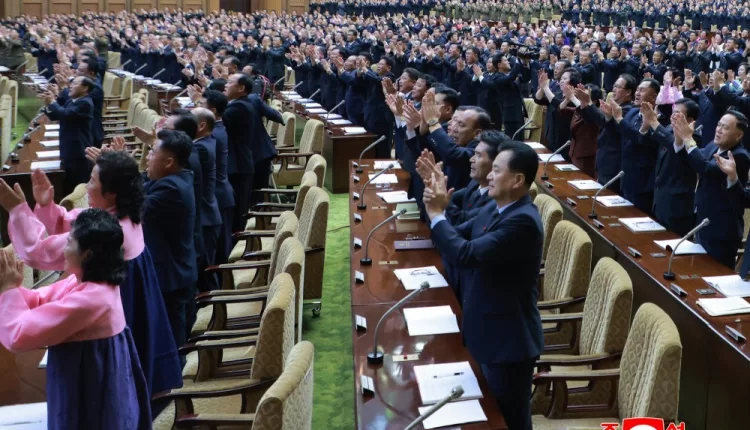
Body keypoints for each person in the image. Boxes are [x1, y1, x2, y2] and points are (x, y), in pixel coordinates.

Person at [0, 151, 183, 416]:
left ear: (112, 192)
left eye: (93, 180)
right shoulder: (120, 220)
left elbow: (40, 251)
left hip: (93, 357)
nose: (87, 185)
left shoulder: (94, 284)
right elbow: (77, 223)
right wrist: (47, 206)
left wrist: (17, 211)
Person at [426, 140, 543, 430]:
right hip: (485, 331)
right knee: (490, 417)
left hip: (508, 343)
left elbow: (464, 254)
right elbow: (457, 235)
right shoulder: (496, 208)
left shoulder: (523, 221)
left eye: (497, 170)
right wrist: (439, 208)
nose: (489, 175)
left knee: (509, 421)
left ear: (517, 180)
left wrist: (437, 214)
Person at [0, 209, 152, 429]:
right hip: (89, 373)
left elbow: (18, 336)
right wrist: (11, 288)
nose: (63, 248)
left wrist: (8, 291)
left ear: (87, 254)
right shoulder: (89, 280)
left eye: (69, 242)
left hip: (90, 384)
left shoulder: (94, 298)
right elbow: (40, 299)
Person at [142, 129, 198, 355]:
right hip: (171, 272)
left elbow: (136, 206)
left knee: (170, 347)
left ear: (168, 161)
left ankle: (176, 378)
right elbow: (142, 188)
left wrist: (114, 173)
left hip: (170, 277)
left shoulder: (172, 188)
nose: (147, 156)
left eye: (152, 152)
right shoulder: (173, 179)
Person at [673, 110, 750, 268]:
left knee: (715, 275)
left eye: (725, 127)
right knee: (697, 271)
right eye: (719, 125)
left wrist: (688, 139)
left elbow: (707, 169)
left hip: (721, 231)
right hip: (703, 223)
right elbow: (692, 159)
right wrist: (680, 139)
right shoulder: (713, 146)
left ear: (738, 135)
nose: (719, 129)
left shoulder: (739, 156)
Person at [640, 98, 699, 235]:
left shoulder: (694, 137)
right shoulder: (668, 129)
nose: (673, 116)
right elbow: (646, 142)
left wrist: (654, 122)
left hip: (677, 206)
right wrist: (646, 125)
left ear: (690, 120)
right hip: (660, 198)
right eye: (673, 112)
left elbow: (674, 145)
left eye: (678, 113)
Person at [39, 76, 95, 195]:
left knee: (79, 187)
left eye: (74, 83)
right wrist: (47, 104)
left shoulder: (85, 103)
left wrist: (53, 101)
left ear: (85, 88)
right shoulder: (71, 101)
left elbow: (65, 114)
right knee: (67, 184)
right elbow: (55, 116)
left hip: (78, 152)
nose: (70, 86)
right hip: (68, 149)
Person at [200, 89, 235, 266]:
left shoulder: (214, 135)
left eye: (200, 105)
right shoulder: (217, 129)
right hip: (220, 194)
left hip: (219, 197)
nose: (196, 108)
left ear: (212, 111)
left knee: (220, 255)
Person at [224, 73, 257, 232]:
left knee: (237, 214)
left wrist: (199, 100)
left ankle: (238, 243)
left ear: (241, 88)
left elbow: (215, 120)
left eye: (229, 82)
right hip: (238, 163)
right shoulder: (239, 104)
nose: (225, 85)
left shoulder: (240, 107)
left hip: (238, 166)